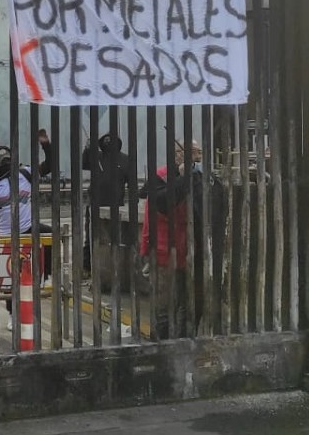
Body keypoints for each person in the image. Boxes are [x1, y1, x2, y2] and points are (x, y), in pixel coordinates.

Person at [139, 140, 216, 339]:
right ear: (177, 155)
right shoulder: (161, 176)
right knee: (165, 308)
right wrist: (183, 178)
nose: (195, 157)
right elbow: (162, 203)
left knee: (189, 307)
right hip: (165, 252)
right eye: (191, 153)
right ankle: (162, 349)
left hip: (191, 252)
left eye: (197, 153)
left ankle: (183, 346)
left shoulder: (198, 177)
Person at [0, 145, 53, 324]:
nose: (6, 163)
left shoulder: (25, 174)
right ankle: (13, 315)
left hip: (27, 229)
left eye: (9, 159)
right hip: (5, 237)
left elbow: (49, 165)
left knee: (51, 236)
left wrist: (46, 145)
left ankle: (47, 275)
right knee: (10, 277)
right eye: (2, 160)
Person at [81, 132, 135, 275]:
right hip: (95, 204)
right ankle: (88, 267)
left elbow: (132, 183)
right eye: (105, 140)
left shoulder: (125, 159)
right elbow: (83, 164)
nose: (108, 142)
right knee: (91, 237)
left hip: (116, 205)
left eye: (111, 140)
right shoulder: (96, 157)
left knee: (115, 238)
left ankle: (114, 268)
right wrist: (87, 149)